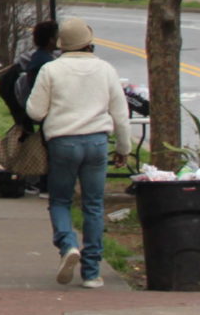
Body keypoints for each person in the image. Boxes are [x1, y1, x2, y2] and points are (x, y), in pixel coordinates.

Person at [25, 16, 128, 289]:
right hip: (96, 142)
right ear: (88, 43)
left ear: (61, 45)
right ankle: (92, 272)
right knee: (93, 204)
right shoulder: (106, 69)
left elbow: (35, 111)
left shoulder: (51, 70)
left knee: (60, 201)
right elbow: (120, 113)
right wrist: (123, 148)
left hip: (63, 142)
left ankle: (68, 244)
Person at [0, 20, 60, 189]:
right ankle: (38, 179)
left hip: (24, 102)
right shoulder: (43, 62)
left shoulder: (39, 57)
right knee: (38, 142)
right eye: (57, 37)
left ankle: (29, 177)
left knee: (31, 138)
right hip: (28, 104)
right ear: (51, 40)